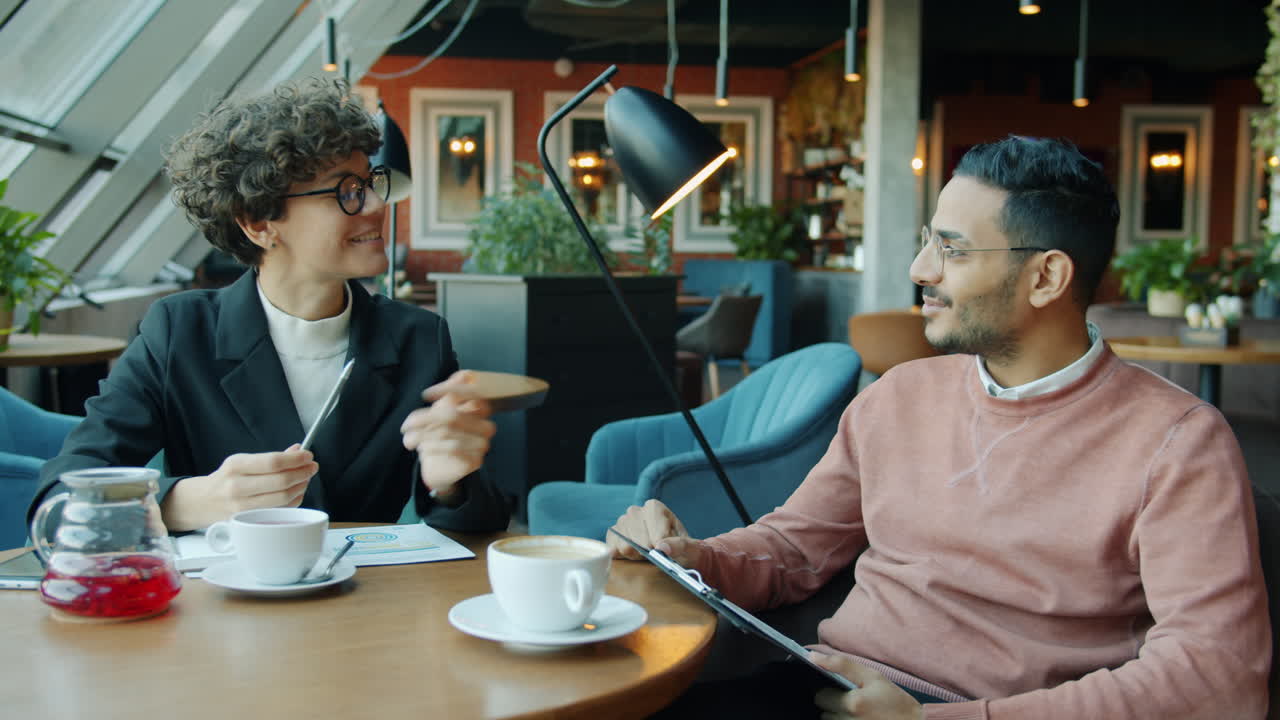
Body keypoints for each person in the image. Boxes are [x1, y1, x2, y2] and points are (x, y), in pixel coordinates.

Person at [610, 136, 1270, 719]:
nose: (920, 269)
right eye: (928, 240)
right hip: (820, 689)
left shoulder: (1179, 442)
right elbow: (795, 549)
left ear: (1045, 277)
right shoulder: (898, 396)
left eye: (949, 249)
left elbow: (1219, 676)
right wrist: (694, 559)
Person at [31, 77, 509, 534]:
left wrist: (450, 485)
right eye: (345, 190)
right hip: (221, 609)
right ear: (259, 223)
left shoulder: (419, 338)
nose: (374, 206)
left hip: (366, 609)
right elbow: (60, 502)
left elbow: (484, 524)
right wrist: (186, 503)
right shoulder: (179, 331)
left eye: (370, 182)